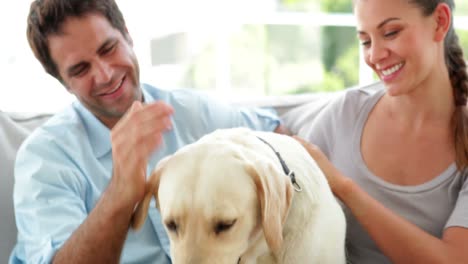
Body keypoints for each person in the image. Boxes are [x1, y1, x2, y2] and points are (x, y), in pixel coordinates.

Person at [10, 0, 288, 263]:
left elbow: (278, 135)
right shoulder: (44, 159)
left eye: (108, 49)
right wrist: (120, 193)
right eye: (81, 69)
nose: (105, 74)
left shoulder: (189, 112)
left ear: (128, 37)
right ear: (63, 82)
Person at [295, 0, 468, 263]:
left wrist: (344, 188)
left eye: (390, 33)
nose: (374, 56)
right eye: (365, 41)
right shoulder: (344, 114)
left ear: (440, 21)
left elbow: (454, 259)